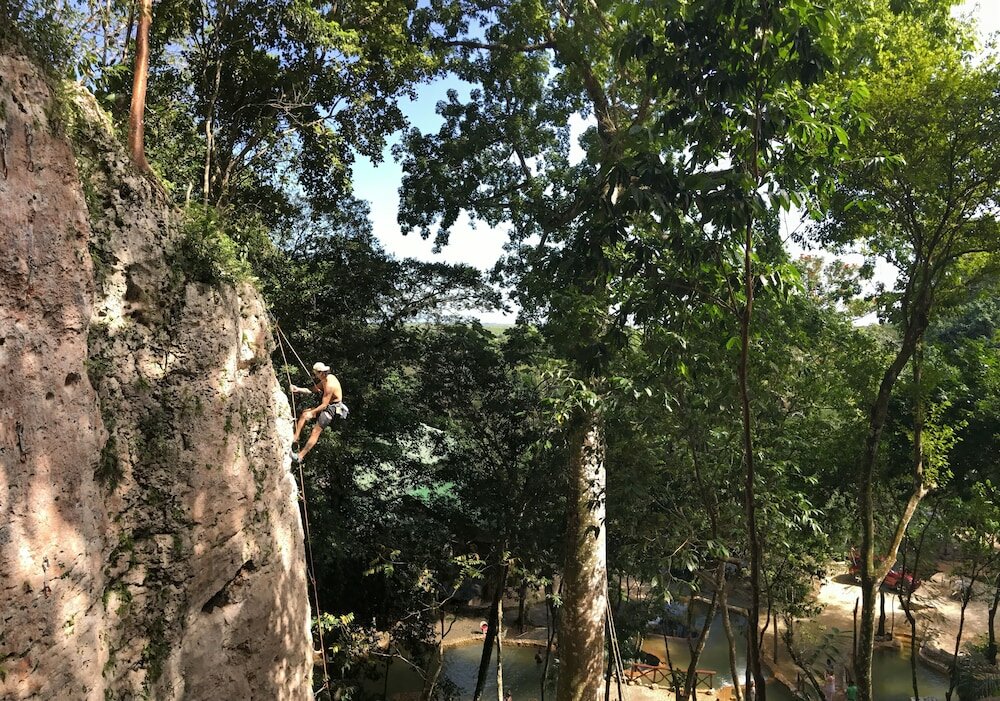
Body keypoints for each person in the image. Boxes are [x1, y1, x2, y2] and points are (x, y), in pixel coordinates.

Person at [289, 362, 347, 463]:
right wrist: (298, 389)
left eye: (316, 374)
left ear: (321, 373)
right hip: (327, 405)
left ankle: (300, 456)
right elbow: (313, 390)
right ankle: (296, 437)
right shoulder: (324, 380)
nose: (315, 376)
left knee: (315, 431)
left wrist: (312, 413)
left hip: (332, 409)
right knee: (304, 414)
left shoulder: (330, 384)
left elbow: (324, 405)